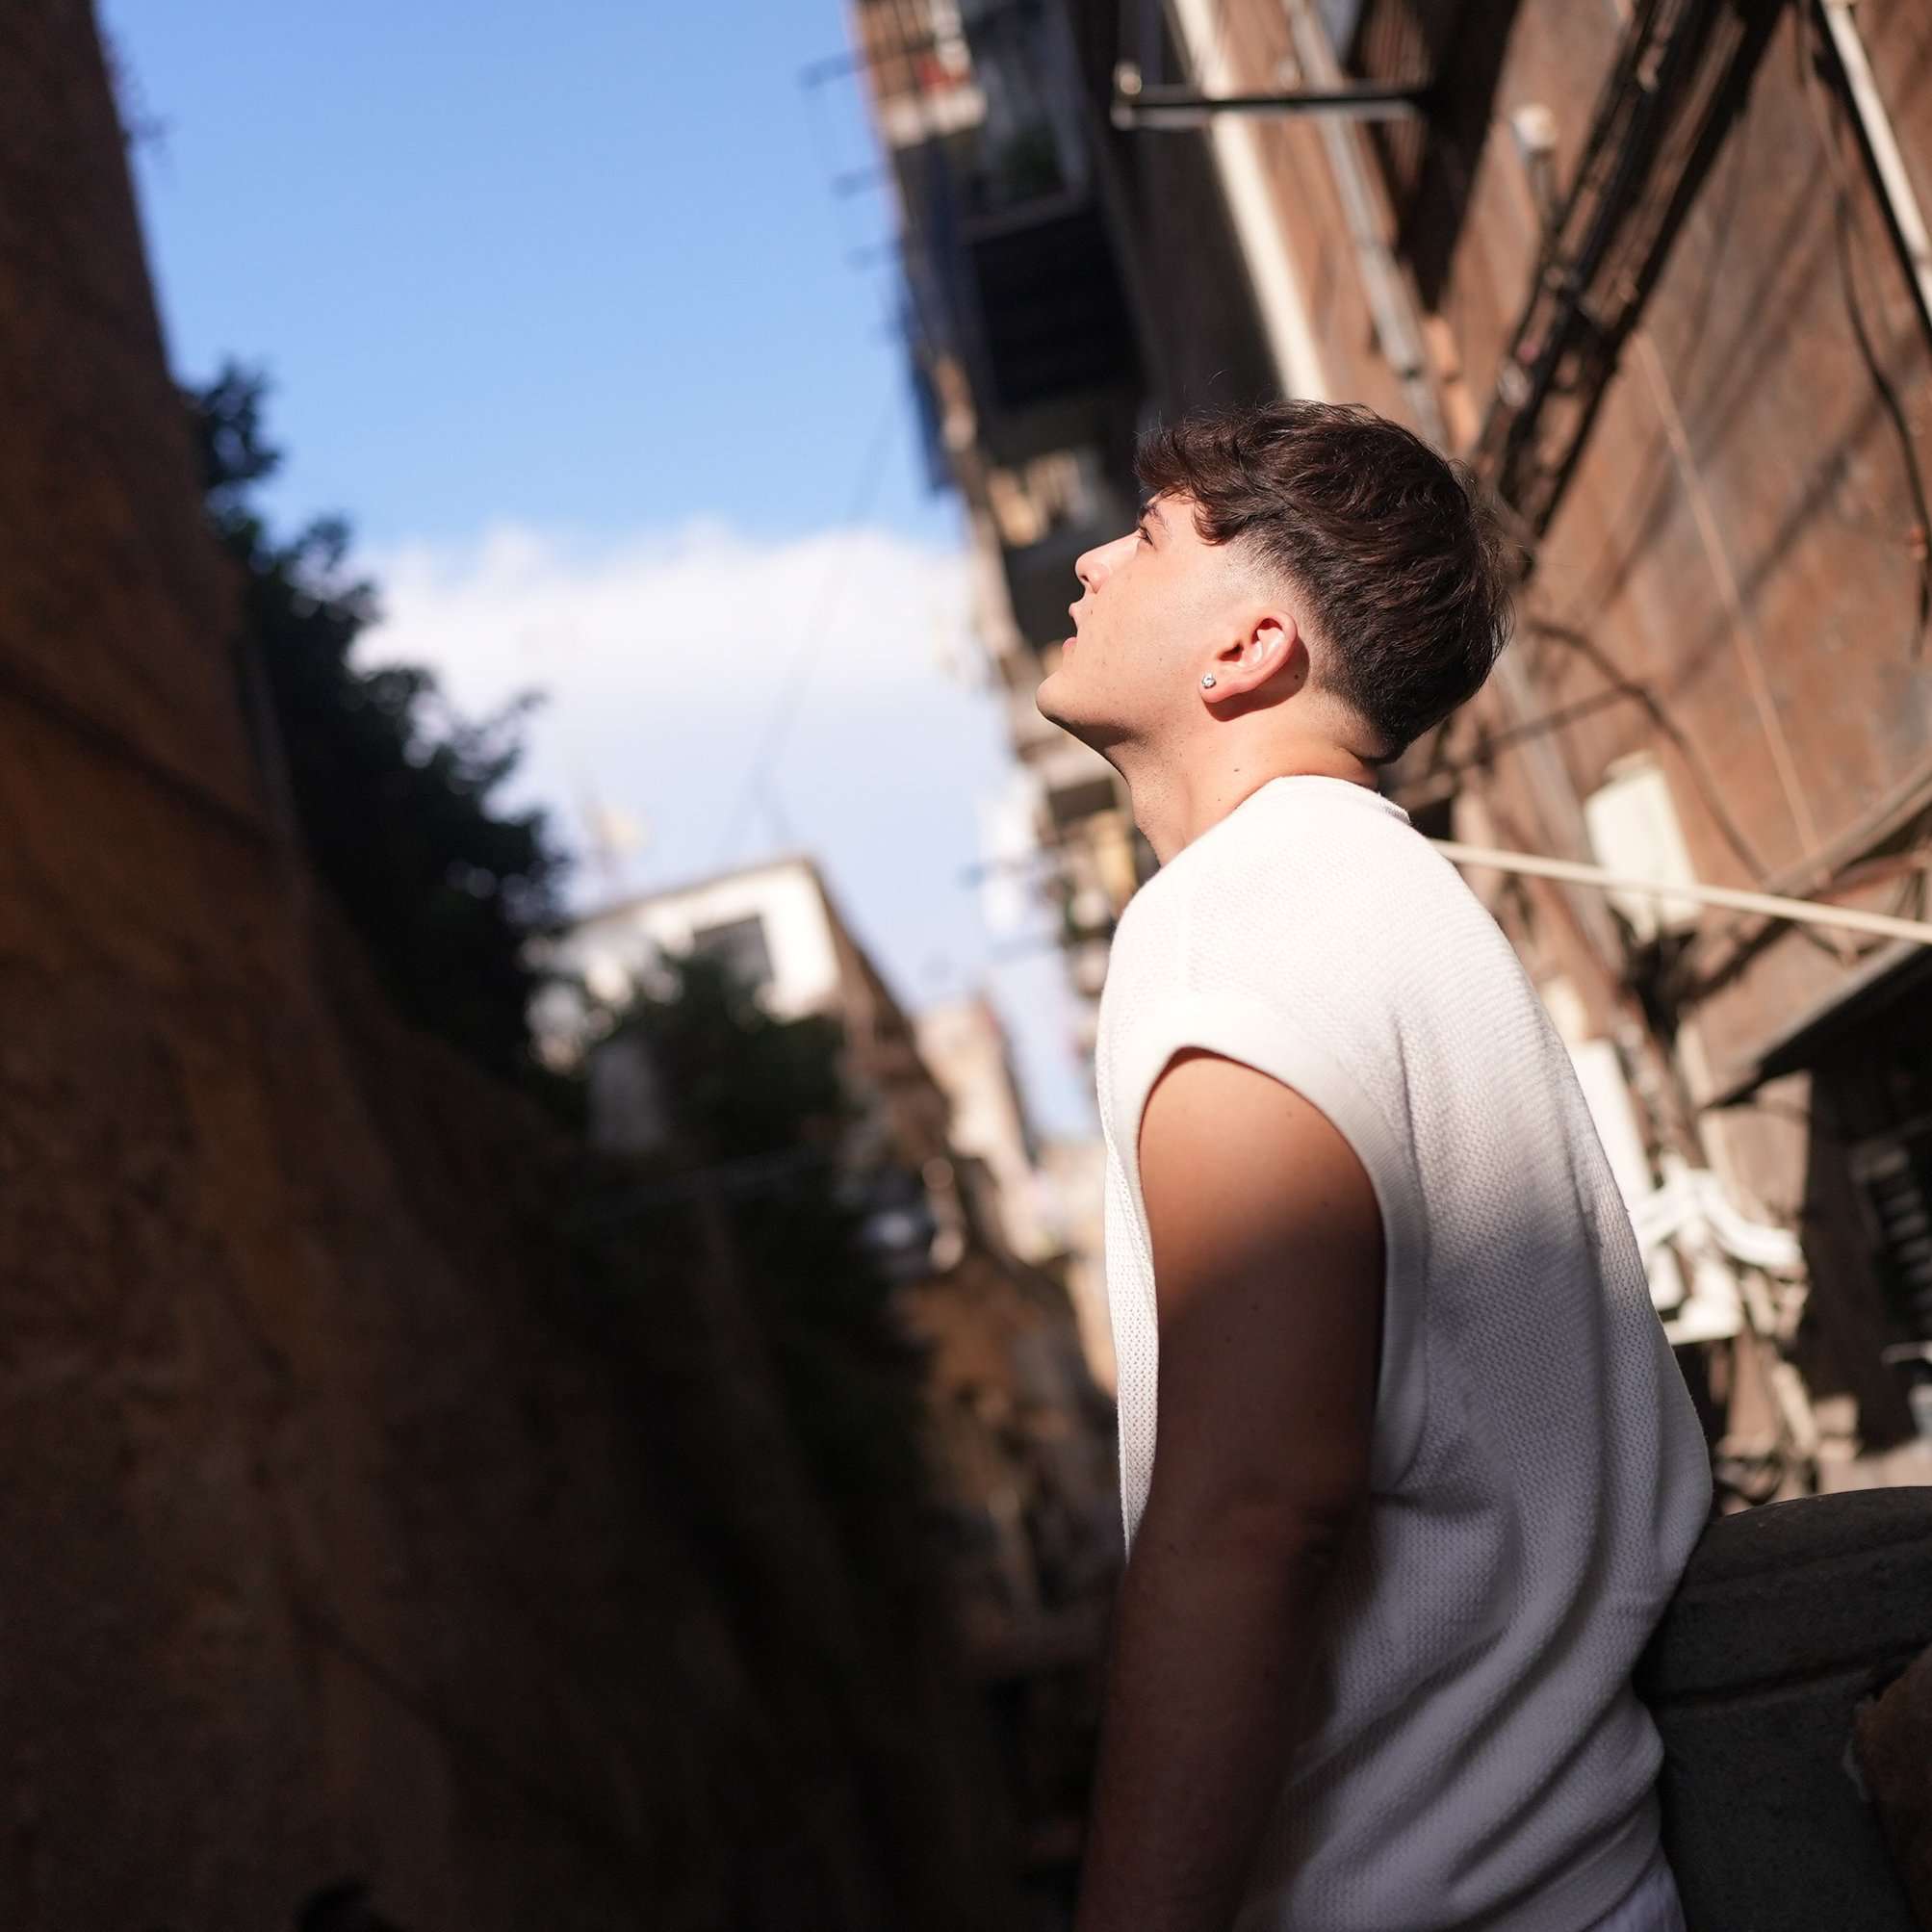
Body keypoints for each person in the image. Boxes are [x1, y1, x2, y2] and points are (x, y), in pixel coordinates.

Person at [1039, 399, 1711, 1932]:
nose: (1089, 564)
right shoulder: (1411, 906)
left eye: (1148, 537)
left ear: (1247, 647)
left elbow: (1254, 1507)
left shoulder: (1234, 920)